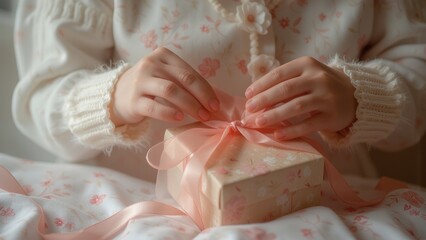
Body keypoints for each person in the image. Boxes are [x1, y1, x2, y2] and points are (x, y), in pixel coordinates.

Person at [12, 0, 426, 182]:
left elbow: (416, 77)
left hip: (321, 209)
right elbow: (41, 99)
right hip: (141, 213)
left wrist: (362, 98)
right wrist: (116, 96)